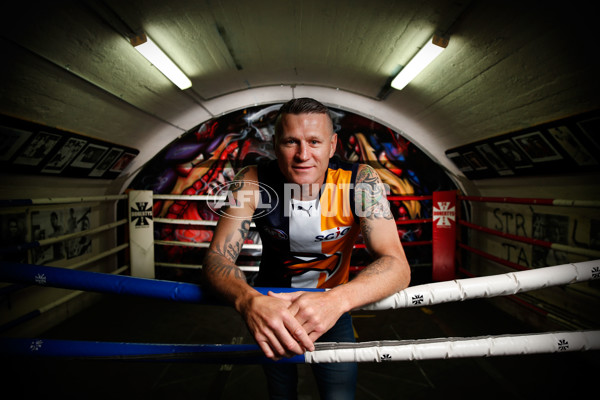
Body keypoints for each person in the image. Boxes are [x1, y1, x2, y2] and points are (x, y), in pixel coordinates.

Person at [202, 97, 411, 399]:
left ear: (332, 145)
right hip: (270, 308)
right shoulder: (252, 181)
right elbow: (216, 258)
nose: (303, 155)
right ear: (275, 145)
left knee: (339, 396)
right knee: (281, 394)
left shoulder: (359, 181)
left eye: (314, 141)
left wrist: (337, 301)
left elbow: (397, 264)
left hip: (334, 307)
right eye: (291, 142)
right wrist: (247, 300)